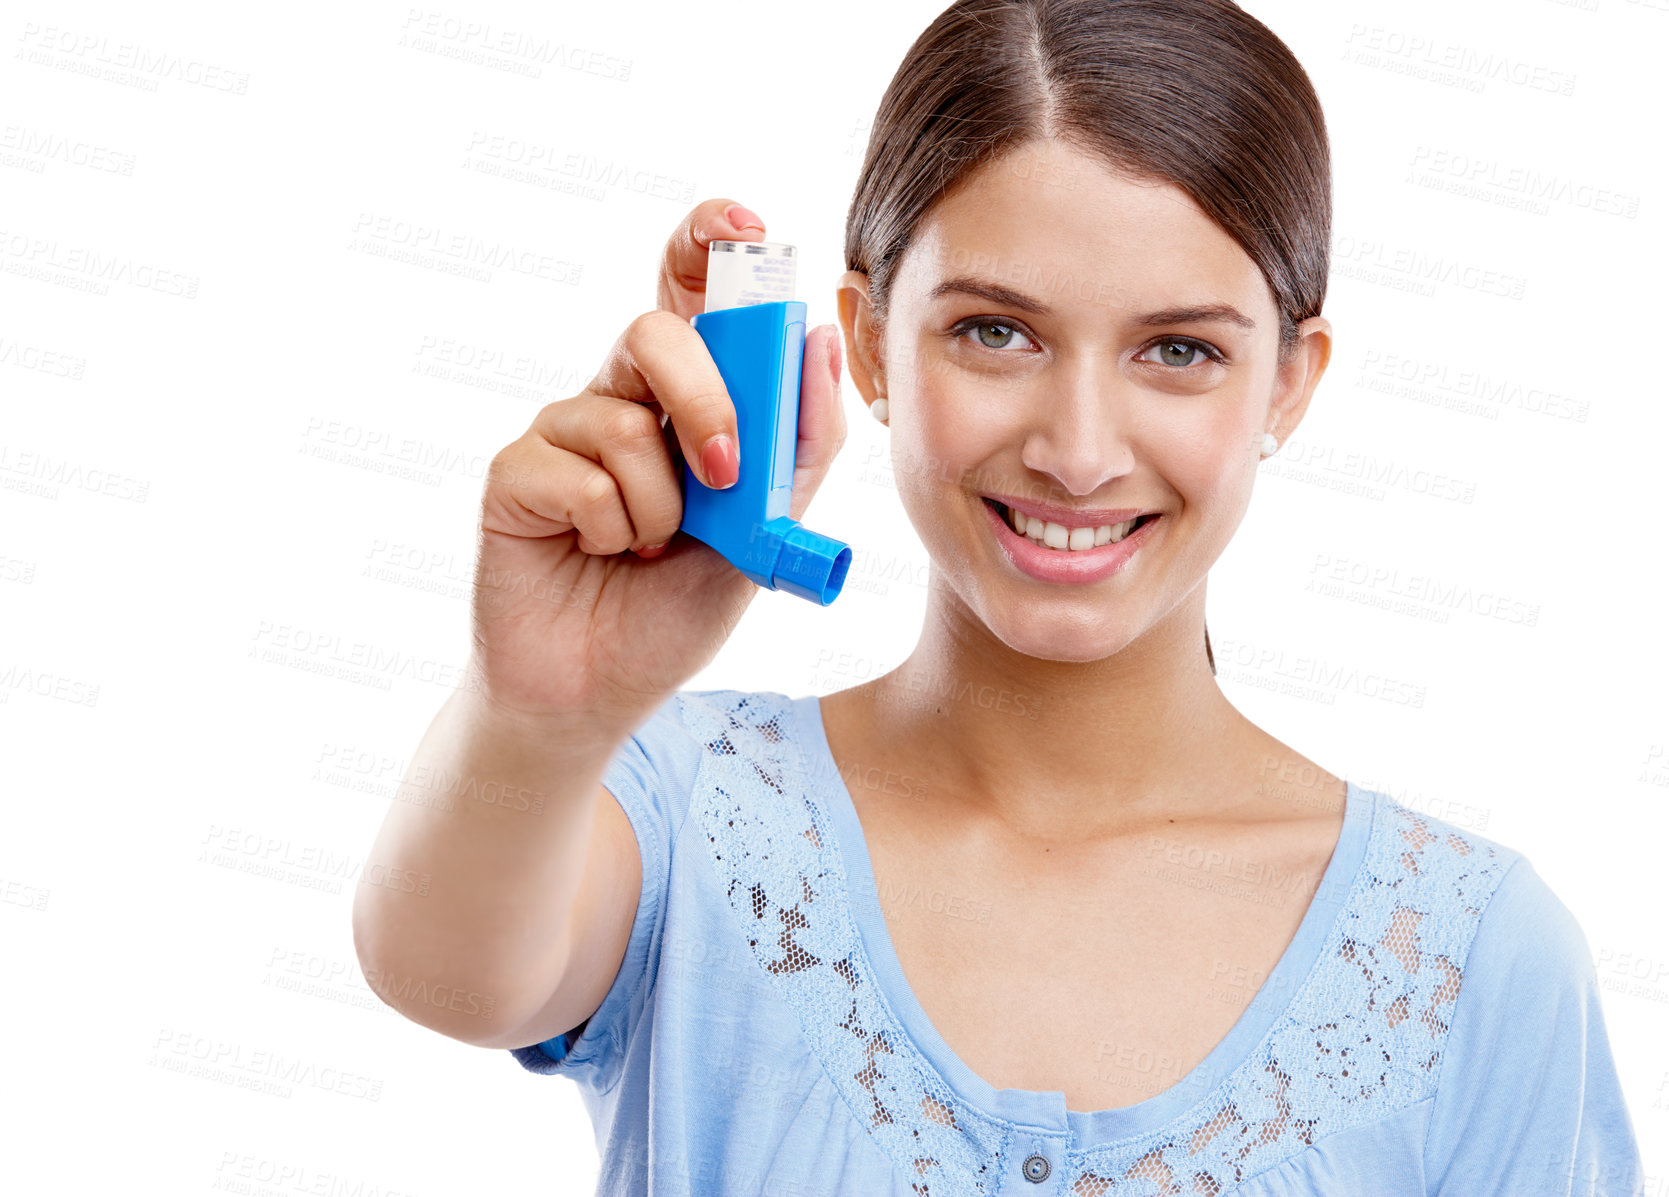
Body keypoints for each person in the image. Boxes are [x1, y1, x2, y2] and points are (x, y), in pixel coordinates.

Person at [352, 1, 1646, 1192]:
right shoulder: (680, 814)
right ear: (863, 340)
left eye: (1179, 350)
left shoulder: (1473, 961)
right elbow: (445, 974)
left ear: (1289, 386)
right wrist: (542, 709)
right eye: (994, 331)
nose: (1077, 449)